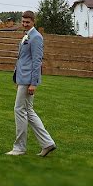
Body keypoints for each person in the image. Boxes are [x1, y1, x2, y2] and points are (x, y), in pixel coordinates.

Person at [6, 10, 56, 157]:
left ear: (34, 22)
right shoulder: (27, 36)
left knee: (19, 110)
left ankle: (19, 148)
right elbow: (22, 59)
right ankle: (47, 143)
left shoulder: (36, 37)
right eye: (23, 21)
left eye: (27, 22)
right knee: (29, 112)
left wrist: (33, 83)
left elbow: (36, 62)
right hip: (22, 79)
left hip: (29, 80)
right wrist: (17, 78)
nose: (24, 24)